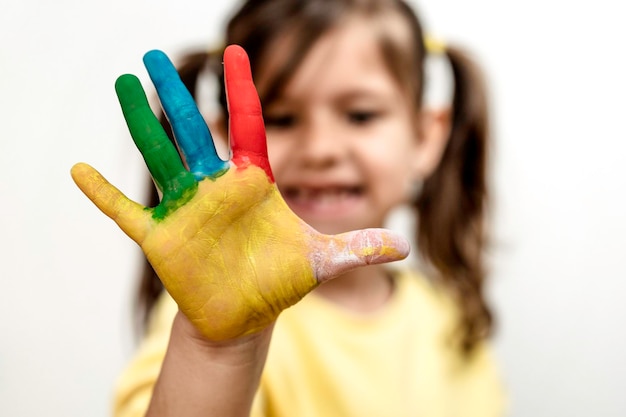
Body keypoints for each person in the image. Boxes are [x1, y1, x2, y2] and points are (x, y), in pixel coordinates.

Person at [72, 0, 506, 416]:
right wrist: (218, 352)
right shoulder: (222, 311)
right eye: (279, 119)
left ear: (425, 137)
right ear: (227, 138)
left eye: (360, 115)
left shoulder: (447, 318)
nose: (320, 150)